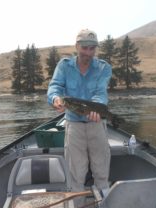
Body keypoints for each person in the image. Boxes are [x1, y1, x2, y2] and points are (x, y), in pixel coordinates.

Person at [47, 29, 112, 206]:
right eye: (84, 48)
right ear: (77, 46)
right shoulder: (64, 65)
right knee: (76, 173)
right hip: (74, 125)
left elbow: (100, 94)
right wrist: (56, 99)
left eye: (92, 48)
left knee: (101, 170)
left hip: (96, 124)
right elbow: (55, 87)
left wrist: (96, 109)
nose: (88, 53)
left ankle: (103, 203)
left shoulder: (104, 68)